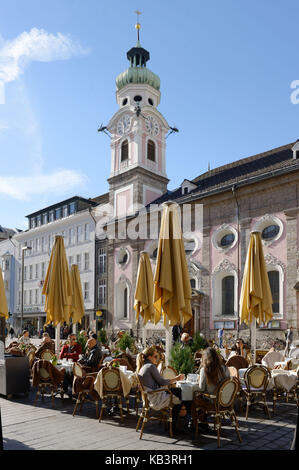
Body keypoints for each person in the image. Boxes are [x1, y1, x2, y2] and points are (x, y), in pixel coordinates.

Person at [137, 346, 186, 434]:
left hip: (151, 397)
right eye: (155, 356)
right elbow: (162, 382)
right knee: (180, 394)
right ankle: (175, 425)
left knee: (178, 393)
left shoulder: (143, 367)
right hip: (156, 399)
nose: (157, 358)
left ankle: (175, 423)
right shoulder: (150, 366)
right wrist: (177, 378)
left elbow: (159, 382)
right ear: (149, 357)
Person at [191, 347, 230, 433]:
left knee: (194, 398)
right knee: (200, 396)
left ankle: (196, 424)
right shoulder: (224, 368)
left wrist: (192, 386)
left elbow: (201, 388)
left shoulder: (205, 369)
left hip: (212, 402)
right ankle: (203, 423)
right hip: (225, 401)